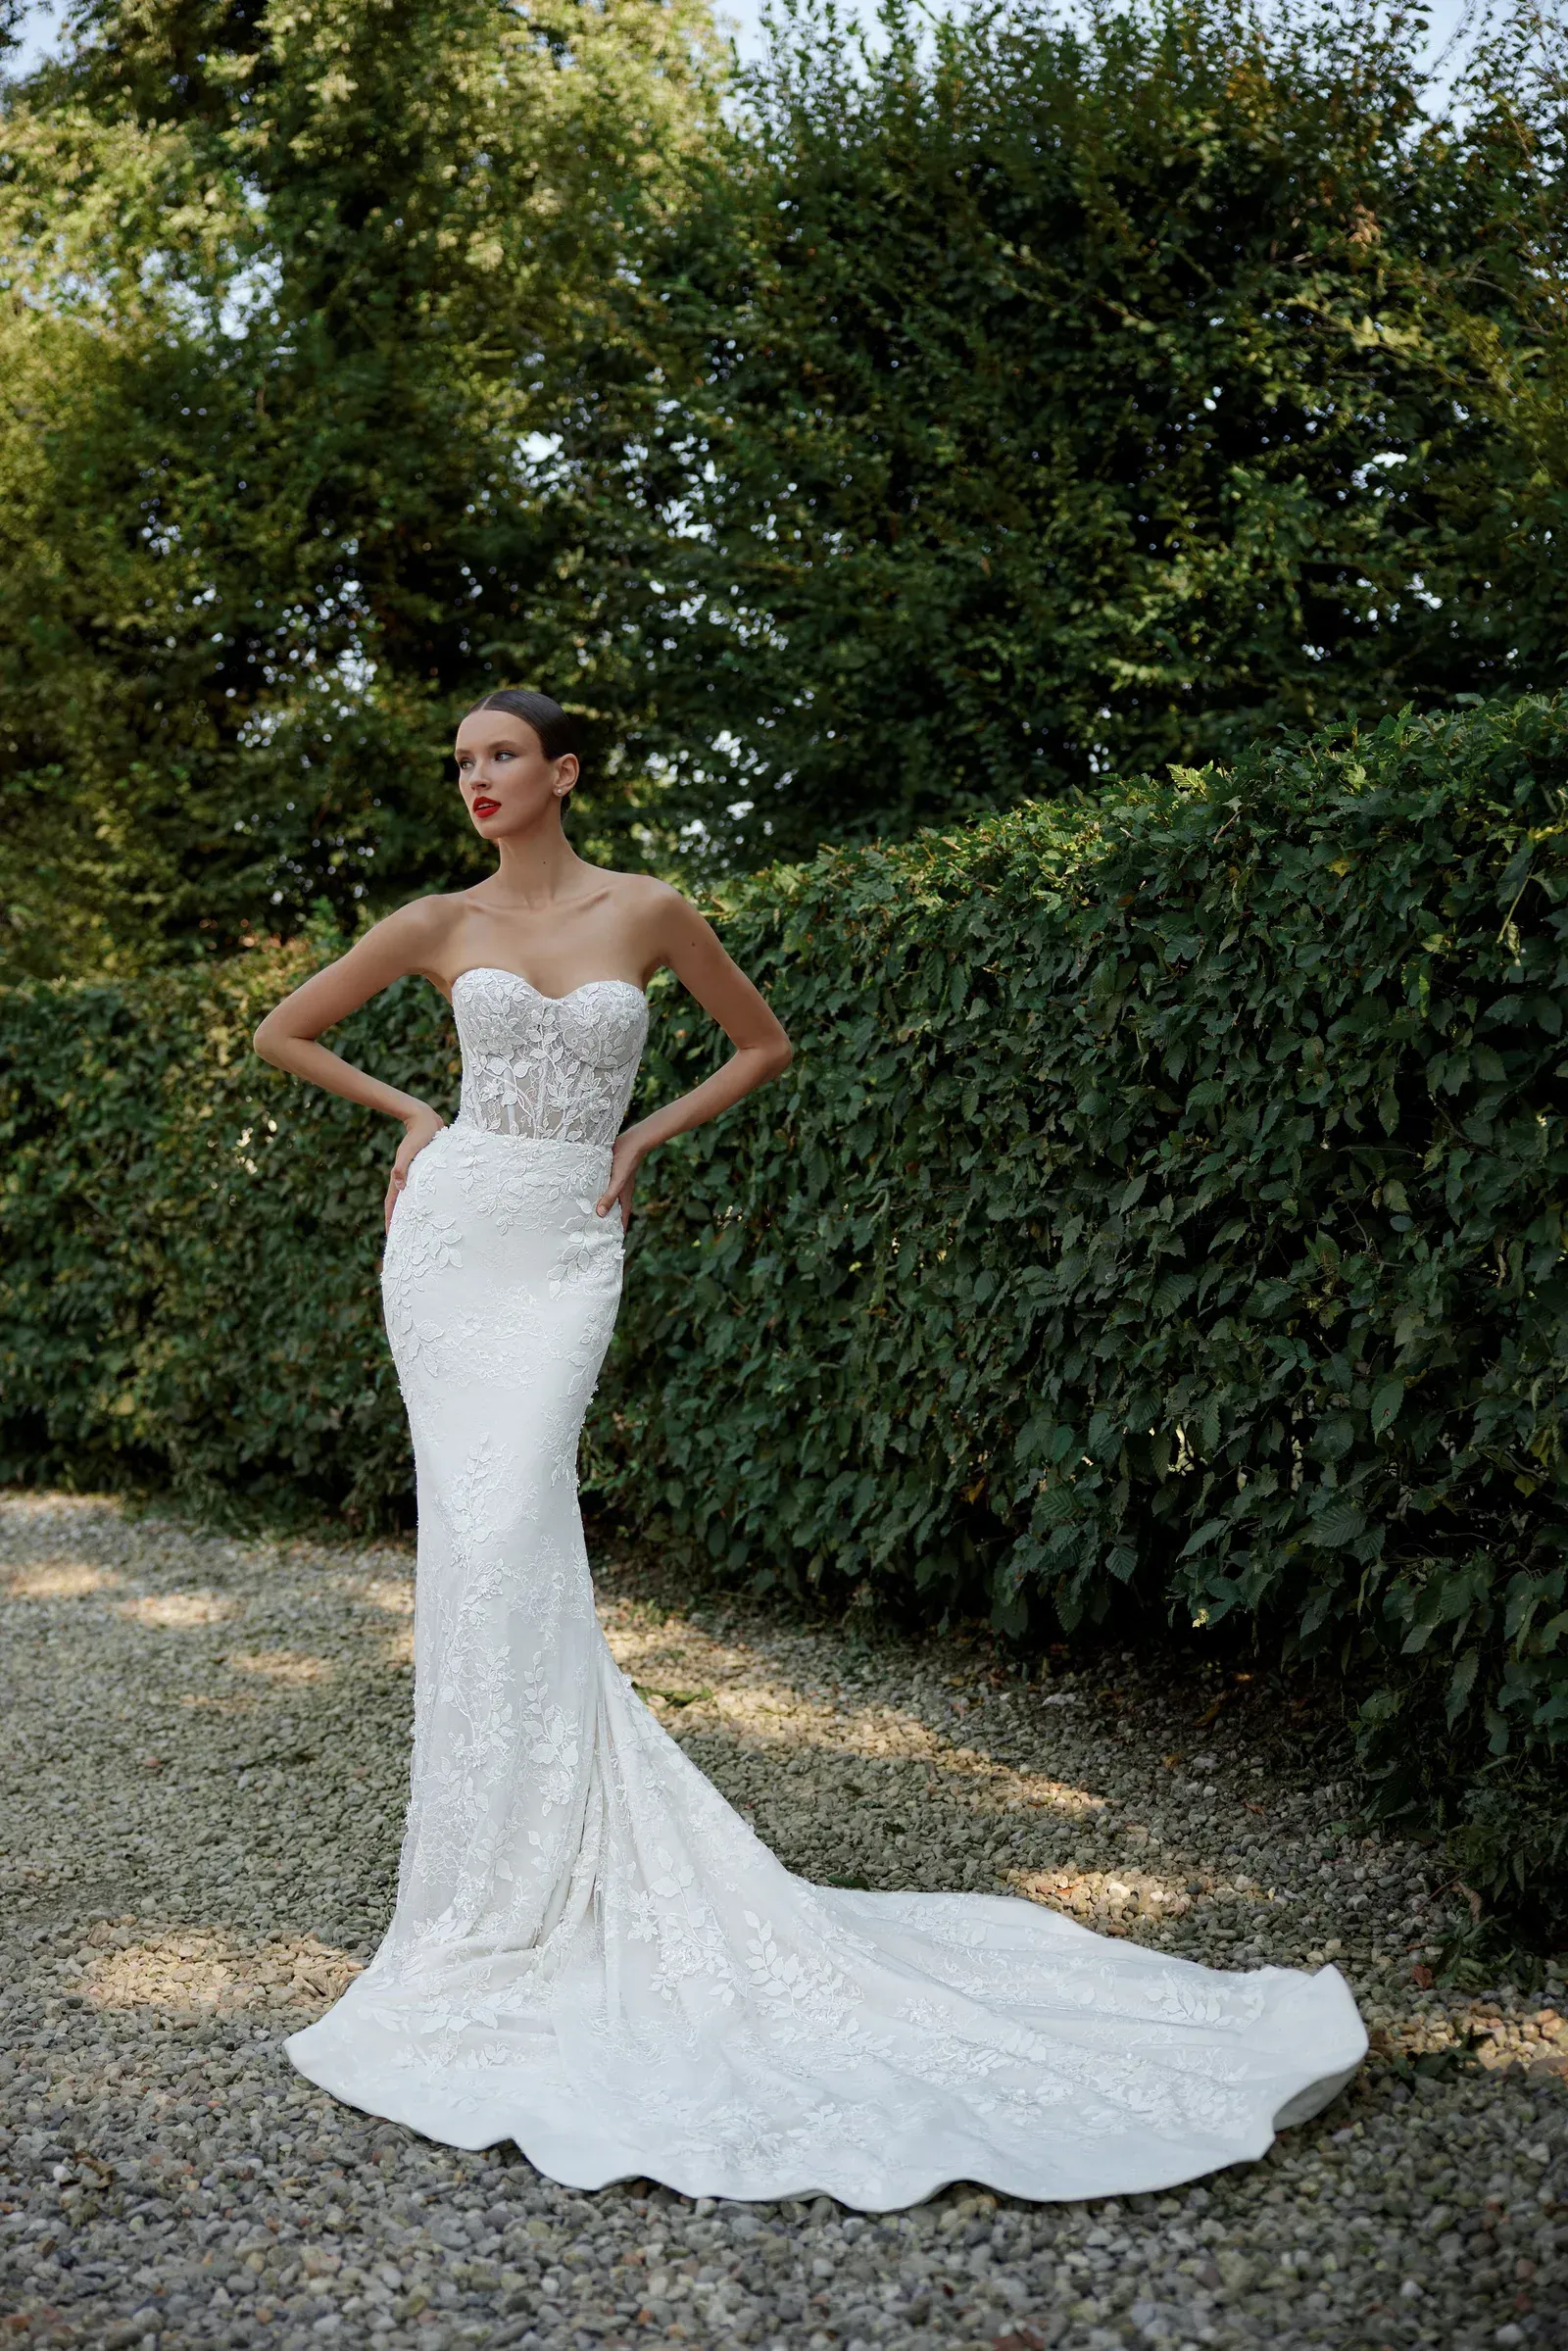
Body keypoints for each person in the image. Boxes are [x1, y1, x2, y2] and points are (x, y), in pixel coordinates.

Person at [253, 687, 1366, 2211]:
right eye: (461, 762)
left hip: (569, 1244)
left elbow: (761, 1042)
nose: (477, 779)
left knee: (520, 1519)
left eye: (501, 754)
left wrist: (641, 1139)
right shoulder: (435, 922)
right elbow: (284, 1028)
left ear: (563, 769)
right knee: (484, 1535)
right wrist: (414, 1118)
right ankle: (486, 1890)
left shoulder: (649, 907)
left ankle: (555, 1859)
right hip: (450, 1248)